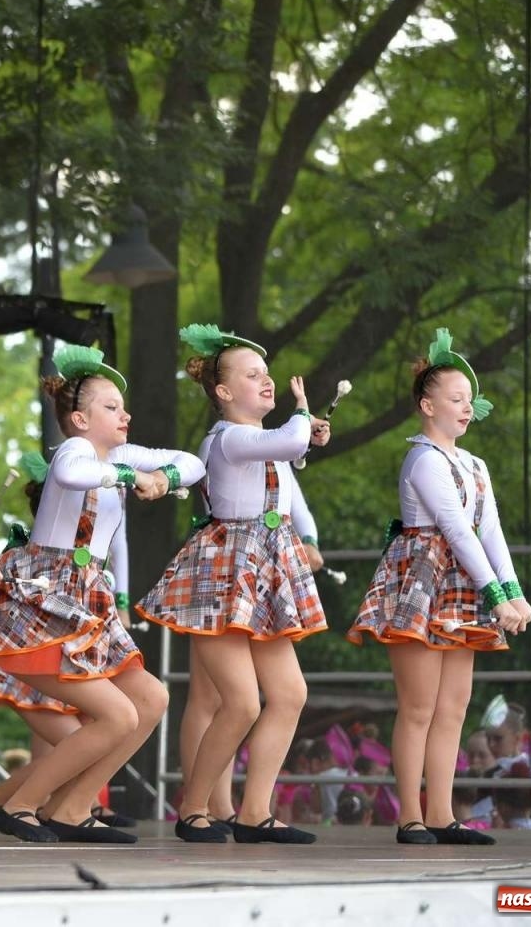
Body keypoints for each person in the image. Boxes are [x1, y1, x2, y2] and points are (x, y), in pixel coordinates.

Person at [0, 345, 183, 843]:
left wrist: (163, 478)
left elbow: (191, 463)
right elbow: (75, 474)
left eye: (123, 407)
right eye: (111, 407)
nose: (126, 414)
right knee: (116, 715)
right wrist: (132, 475)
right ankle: (22, 804)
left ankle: (73, 808)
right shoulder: (75, 451)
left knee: (152, 698)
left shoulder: (117, 456)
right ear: (79, 418)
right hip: (47, 598)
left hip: (89, 599)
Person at [138, 324, 331, 845]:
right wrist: (302, 414)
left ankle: (254, 812)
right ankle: (195, 807)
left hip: (267, 566)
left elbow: (289, 457)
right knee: (241, 701)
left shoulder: (260, 441)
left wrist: (304, 433)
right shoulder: (228, 437)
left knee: (290, 694)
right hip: (225, 570)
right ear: (223, 393)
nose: (266, 381)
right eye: (252, 375)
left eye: (266, 373)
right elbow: (287, 441)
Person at [347, 330, 531, 846]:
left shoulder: (475, 464)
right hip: (422, 584)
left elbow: (489, 529)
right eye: (455, 399)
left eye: (469, 401)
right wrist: (497, 596)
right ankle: (410, 815)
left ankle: (443, 814)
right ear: (428, 406)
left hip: (461, 585)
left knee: (454, 706)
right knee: (420, 706)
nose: (466, 408)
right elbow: (453, 528)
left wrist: (513, 591)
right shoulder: (424, 458)